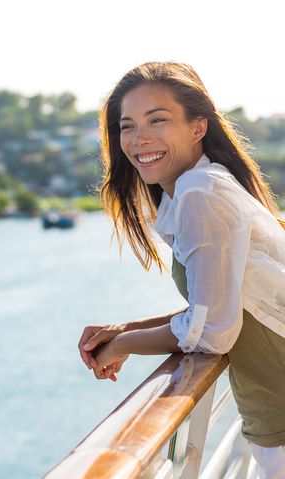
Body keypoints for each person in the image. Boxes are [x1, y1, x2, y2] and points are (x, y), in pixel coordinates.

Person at [77, 61, 285, 479]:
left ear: (197, 127)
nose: (140, 139)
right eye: (127, 126)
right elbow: (222, 308)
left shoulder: (201, 193)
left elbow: (212, 332)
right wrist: (125, 329)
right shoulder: (202, 186)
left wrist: (125, 345)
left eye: (158, 120)